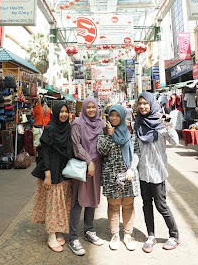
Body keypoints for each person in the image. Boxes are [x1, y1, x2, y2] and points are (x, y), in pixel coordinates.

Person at [134, 92, 180, 253]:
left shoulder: (161, 124)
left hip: (158, 172)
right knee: (146, 205)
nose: (142, 106)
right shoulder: (138, 123)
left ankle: (174, 235)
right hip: (143, 173)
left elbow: (175, 143)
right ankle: (151, 236)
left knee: (161, 205)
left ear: (152, 104)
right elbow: (136, 149)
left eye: (145, 103)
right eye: (140, 104)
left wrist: (168, 126)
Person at [31, 101, 73, 252]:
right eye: (61, 111)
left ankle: (58, 230)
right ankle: (51, 236)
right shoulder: (50, 129)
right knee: (53, 204)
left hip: (64, 170)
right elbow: (44, 153)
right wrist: (47, 174)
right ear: (55, 113)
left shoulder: (68, 128)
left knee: (61, 203)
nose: (63, 114)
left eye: (65, 111)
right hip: (52, 171)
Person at [97, 105, 140, 251]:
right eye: (112, 115)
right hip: (111, 176)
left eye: (117, 115)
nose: (114, 118)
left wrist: (131, 169)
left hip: (128, 175)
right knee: (114, 206)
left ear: (122, 116)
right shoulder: (104, 132)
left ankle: (128, 235)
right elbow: (101, 151)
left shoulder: (131, 132)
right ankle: (115, 235)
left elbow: (136, 152)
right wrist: (110, 135)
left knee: (128, 206)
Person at [68, 97, 104, 256]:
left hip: (97, 166)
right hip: (83, 165)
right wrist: (89, 161)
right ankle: (73, 237)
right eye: (88, 107)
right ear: (83, 108)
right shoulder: (77, 123)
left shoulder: (101, 124)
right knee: (78, 200)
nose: (91, 110)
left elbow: (104, 143)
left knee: (92, 199)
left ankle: (89, 230)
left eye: (93, 107)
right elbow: (76, 146)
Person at [32, 96, 44, 161]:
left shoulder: (34, 109)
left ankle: (35, 157)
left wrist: (34, 101)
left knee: (35, 143)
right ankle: (35, 157)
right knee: (37, 144)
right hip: (38, 128)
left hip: (36, 127)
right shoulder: (39, 107)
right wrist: (37, 97)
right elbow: (39, 99)